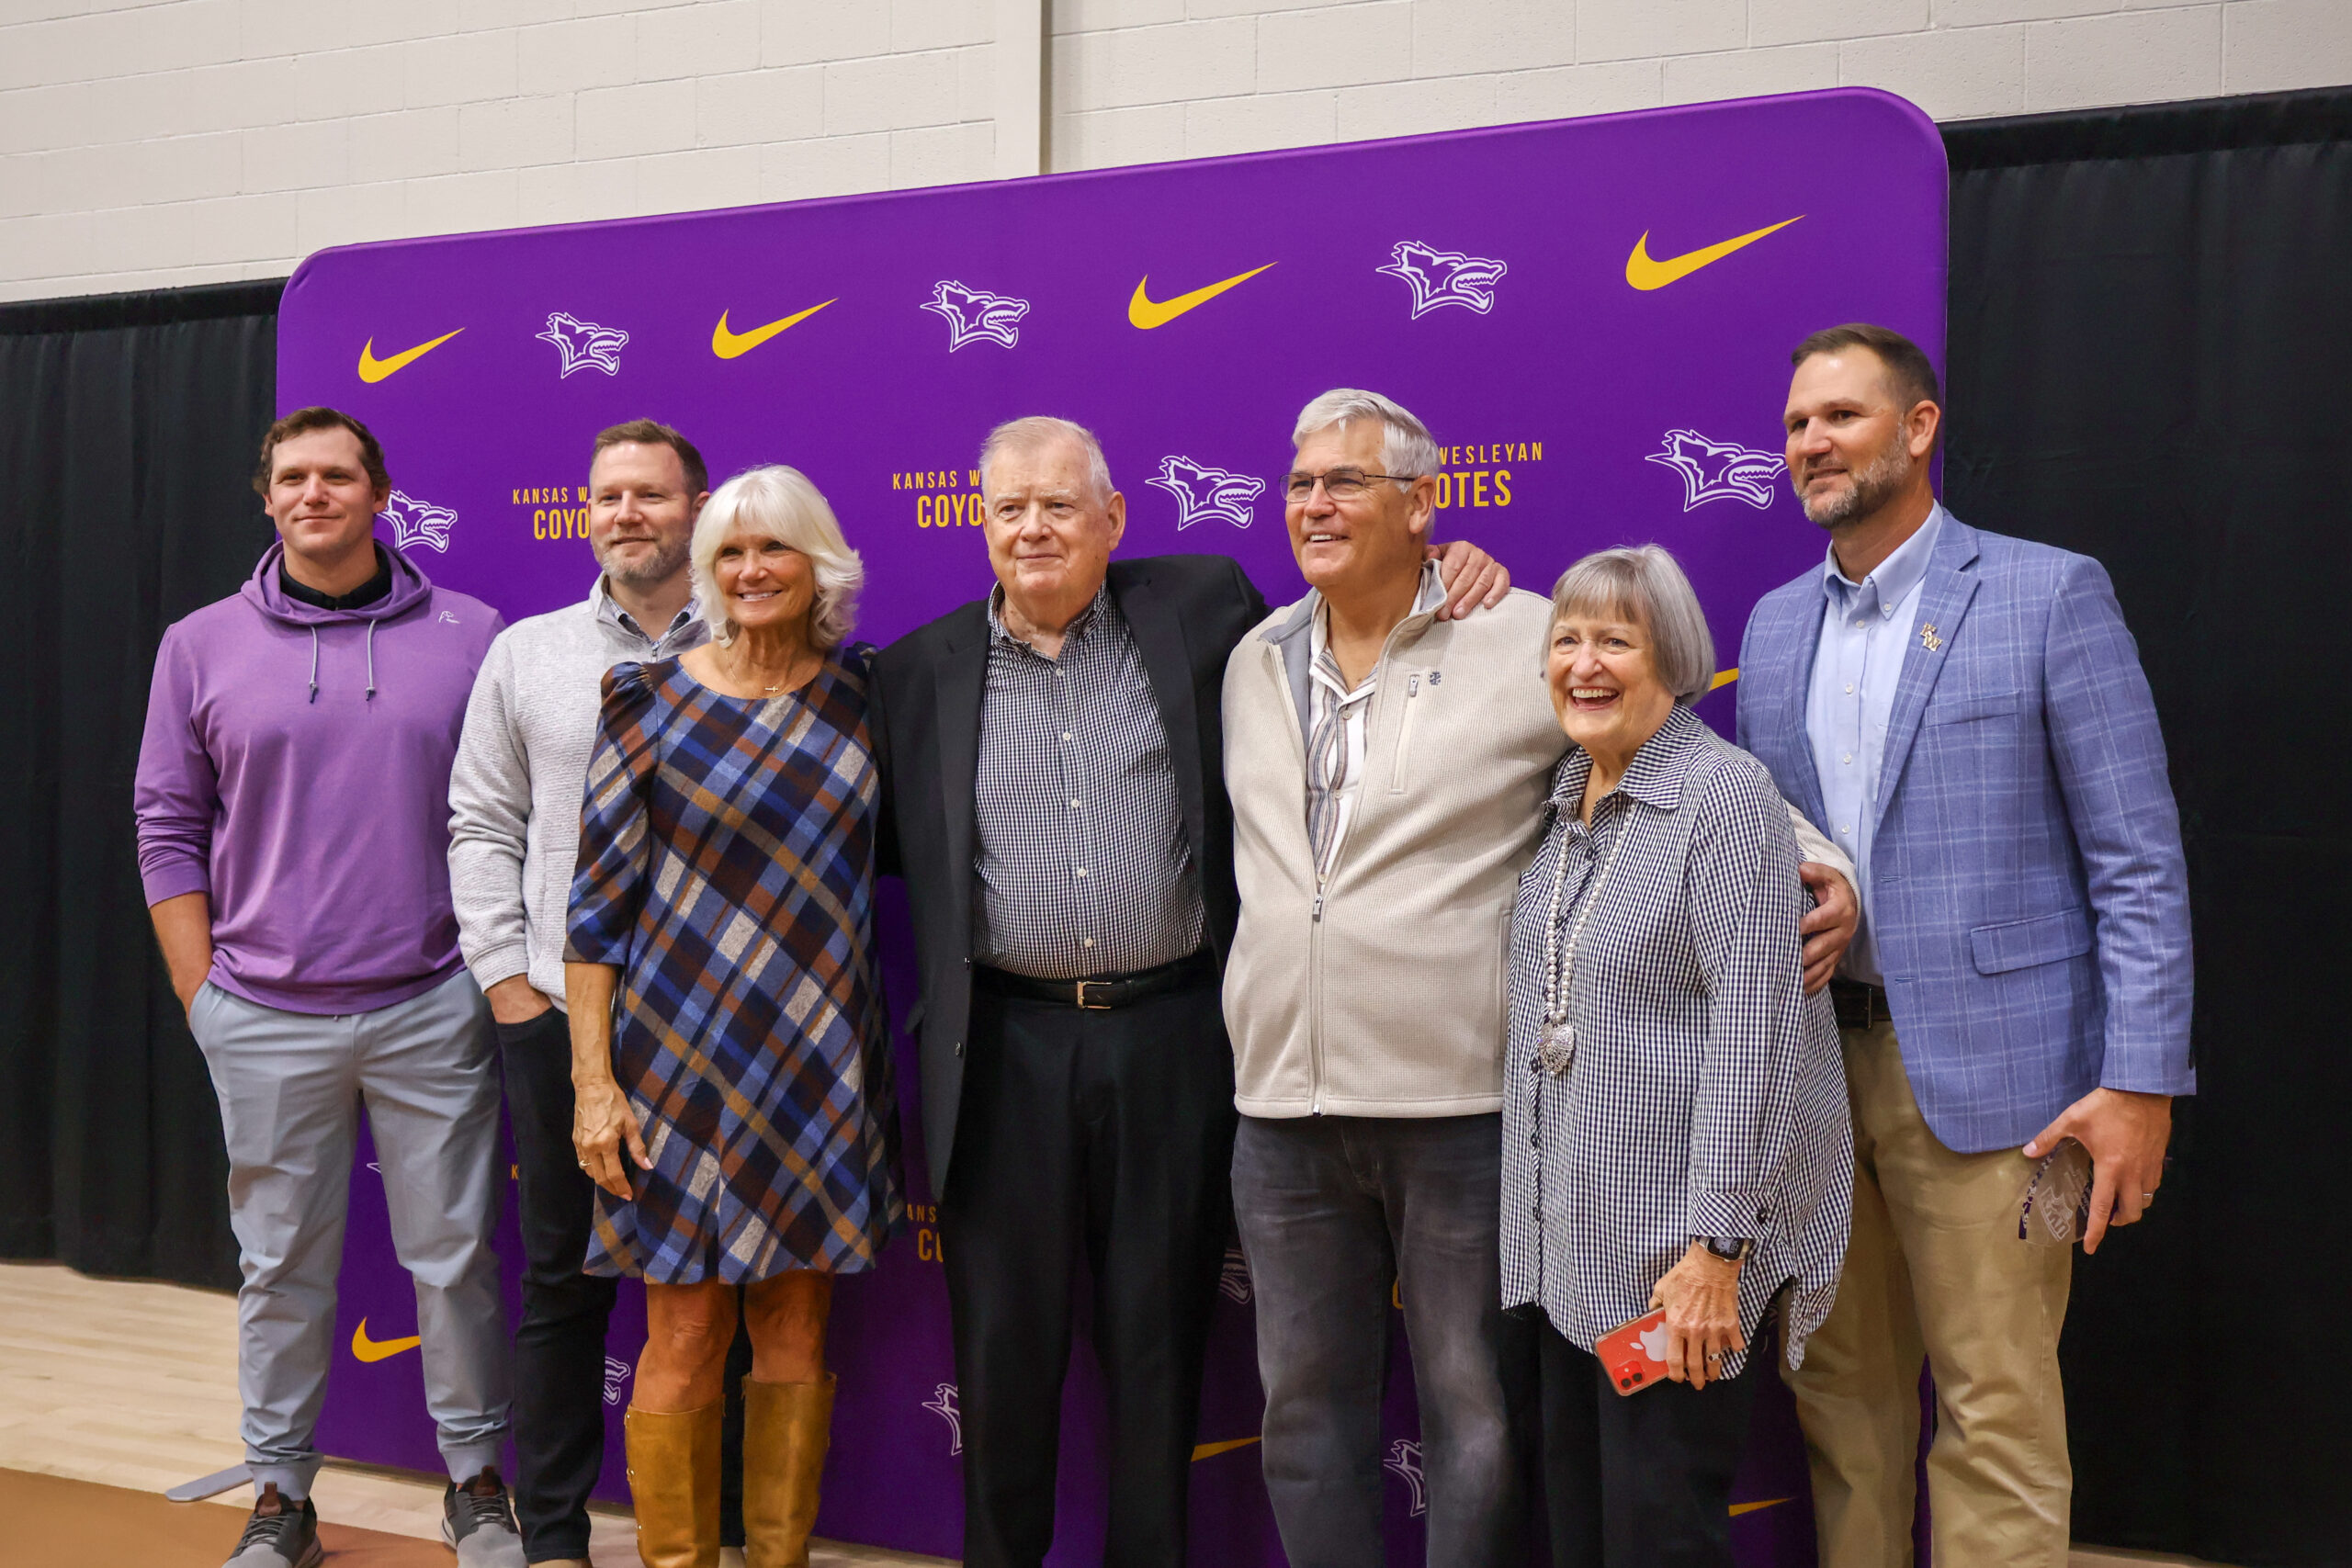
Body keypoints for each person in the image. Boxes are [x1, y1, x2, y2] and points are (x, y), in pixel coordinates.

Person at [1219, 389, 1857, 1568]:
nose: (1314, 503)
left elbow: (1696, 775)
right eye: (1300, 482)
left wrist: (1825, 867)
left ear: (1423, 504)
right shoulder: (1248, 655)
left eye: (1346, 482)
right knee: (1303, 1415)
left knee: (1481, 1419)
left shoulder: (1521, 632)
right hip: (1284, 1113)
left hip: (1459, 1112)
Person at [865, 414, 1510, 1568]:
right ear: (977, 524)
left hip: (1171, 1041)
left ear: (1115, 520)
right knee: (1002, 1361)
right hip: (1000, 1052)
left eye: (1060, 504)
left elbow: (1358, 597)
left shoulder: (1208, 611)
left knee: (1156, 1354)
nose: (1033, 528)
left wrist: (1454, 560)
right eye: (1007, 507)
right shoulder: (914, 673)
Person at [1739, 323, 2193, 1566]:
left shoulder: (2048, 592)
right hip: (1817, 1082)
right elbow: (1776, 835)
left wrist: (2143, 1075)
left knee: (1995, 1407)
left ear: (1920, 427)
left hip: (2005, 1089)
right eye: (1794, 424)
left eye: (1839, 414)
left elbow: (2137, 857)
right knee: (1843, 1404)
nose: (1810, 443)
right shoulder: (1775, 628)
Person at [135, 407, 525, 1568]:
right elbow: (166, 825)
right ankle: (281, 1497)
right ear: (267, 496)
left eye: (337, 475)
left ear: (379, 492)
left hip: (430, 1004)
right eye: (293, 476)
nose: (315, 493)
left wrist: (479, 976)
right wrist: (204, 996)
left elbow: (507, 816)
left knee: (451, 1260)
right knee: (279, 1270)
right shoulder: (197, 644)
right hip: (260, 1014)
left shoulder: (472, 634)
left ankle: (476, 1485)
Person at [564, 464, 901, 1568]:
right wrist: (593, 1083)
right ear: (707, 573)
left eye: (774, 550)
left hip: (816, 1064)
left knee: (796, 1329)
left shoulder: (867, 698)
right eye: (730, 554)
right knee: (686, 1330)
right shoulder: (645, 699)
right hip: (675, 1068)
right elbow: (595, 911)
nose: (751, 571)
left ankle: (779, 1558)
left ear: (820, 567)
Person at [1500, 545, 1852, 1568]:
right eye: (1566, 639)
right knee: (1581, 1532)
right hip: (1568, 1258)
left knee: (1658, 1533)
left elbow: (1756, 1036)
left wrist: (1715, 1254)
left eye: (1617, 639)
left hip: (1671, 1270)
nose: (1585, 662)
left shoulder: (1723, 796)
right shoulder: (1567, 797)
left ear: (1674, 657)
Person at [448, 419, 711, 1567]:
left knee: (720, 1283)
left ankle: (705, 1536)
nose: (624, 515)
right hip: (562, 1019)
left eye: (649, 495)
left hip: (719, 1024)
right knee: (562, 1282)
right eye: (606, 496)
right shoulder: (529, 653)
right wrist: (508, 982)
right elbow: (481, 821)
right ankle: (552, 1535)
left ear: (696, 507)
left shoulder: (759, 636)